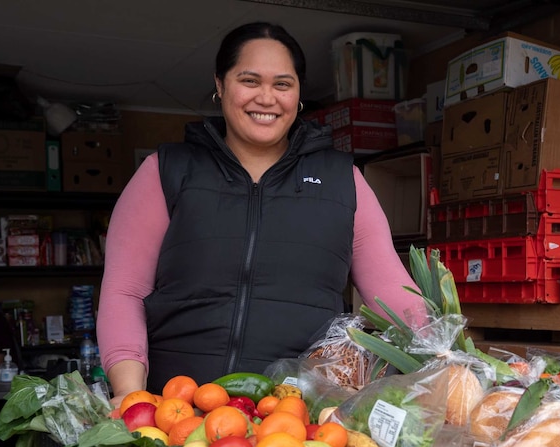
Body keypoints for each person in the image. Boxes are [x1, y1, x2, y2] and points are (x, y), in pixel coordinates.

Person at [97, 22, 425, 405]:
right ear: (220, 85)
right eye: (249, 80)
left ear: (298, 93)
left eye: (282, 84)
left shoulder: (342, 181)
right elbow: (125, 291)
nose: (267, 98)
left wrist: (447, 357)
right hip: (175, 412)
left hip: (299, 420)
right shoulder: (167, 171)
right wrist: (130, 394)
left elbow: (391, 295)